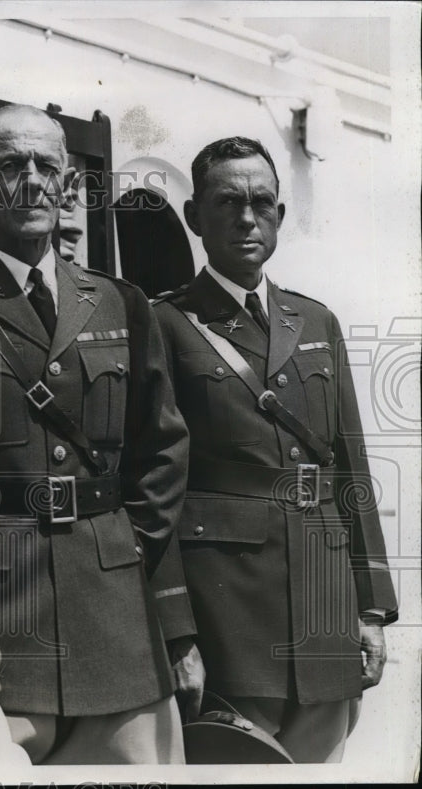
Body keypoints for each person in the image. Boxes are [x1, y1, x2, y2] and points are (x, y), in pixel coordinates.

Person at [0, 104, 192, 764]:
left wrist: (123, 540)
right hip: (5, 610)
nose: (29, 180)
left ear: (69, 188)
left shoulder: (120, 302)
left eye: (45, 166)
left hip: (115, 620)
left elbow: (162, 446)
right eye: (8, 166)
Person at [151, 136, 398, 763]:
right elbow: (154, 487)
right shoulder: (165, 325)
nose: (246, 218)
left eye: (262, 202)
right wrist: (178, 633)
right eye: (227, 202)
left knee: (320, 765)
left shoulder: (315, 323)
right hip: (229, 609)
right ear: (194, 216)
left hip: (323, 596)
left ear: (280, 217)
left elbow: (351, 467)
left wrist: (372, 606)